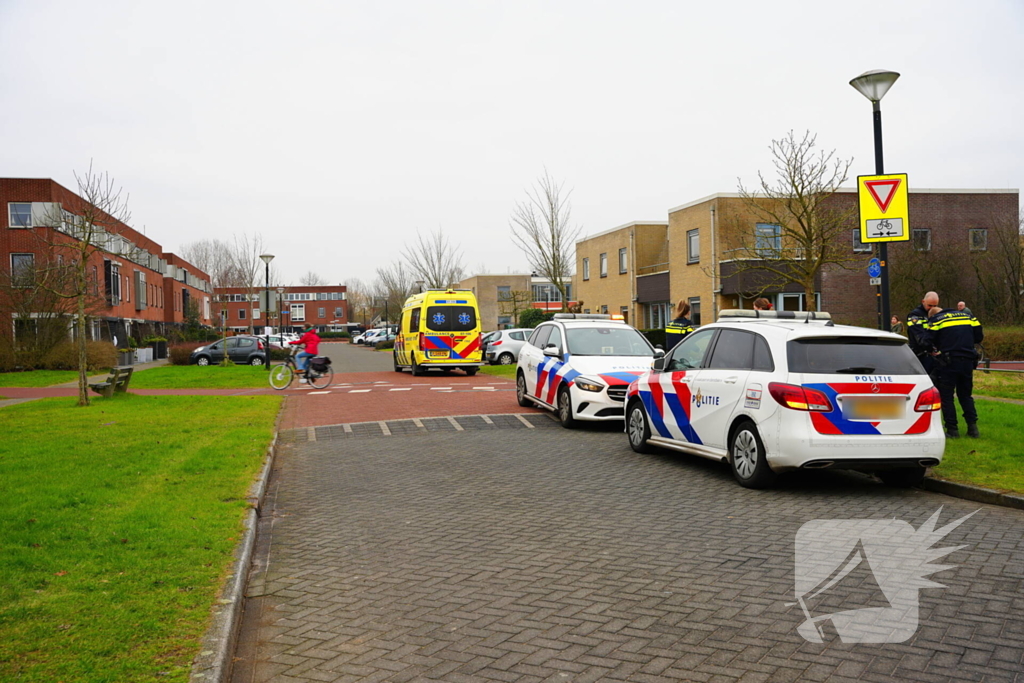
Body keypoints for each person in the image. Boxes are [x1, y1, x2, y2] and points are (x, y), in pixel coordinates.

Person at [923, 306, 984, 438]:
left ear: (931, 316)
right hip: (968, 360)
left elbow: (926, 342)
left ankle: (952, 430)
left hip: (948, 361)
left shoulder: (936, 320)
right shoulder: (968, 316)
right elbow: (979, 337)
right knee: (966, 395)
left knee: (947, 396)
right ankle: (973, 429)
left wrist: (936, 349)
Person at [906, 291, 939, 374]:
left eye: (935, 306)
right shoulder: (915, 315)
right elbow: (919, 337)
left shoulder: (936, 314)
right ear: (923, 302)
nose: (932, 308)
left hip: (933, 354)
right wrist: (930, 348)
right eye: (929, 305)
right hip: (920, 354)